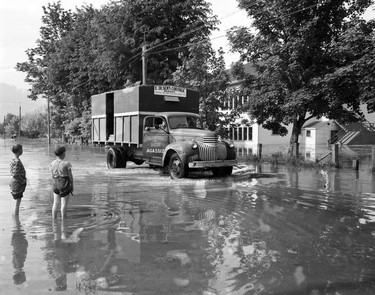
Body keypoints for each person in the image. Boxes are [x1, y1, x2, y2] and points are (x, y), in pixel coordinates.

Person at [50, 146, 74, 219]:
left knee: (55, 203)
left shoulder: (52, 163)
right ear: (63, 153)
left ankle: (54, 220)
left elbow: (52, 174)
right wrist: (72, 185)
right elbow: (70, 176)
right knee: (63, 203)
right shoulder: (66, 163)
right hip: (64, 184)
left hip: (55, 183)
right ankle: (64, 221)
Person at [9, 144, 27, 216]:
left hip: (14, 182)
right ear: (19, 151)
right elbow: (15, 174)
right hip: (17, 183)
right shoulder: (17, 161)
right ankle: (16, 222)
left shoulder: (13, 159)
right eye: (21, 149)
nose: (22, 150)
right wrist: (22, 181)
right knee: (17, 203)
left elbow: (13, 173)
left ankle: (15, 221)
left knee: (15, 202)